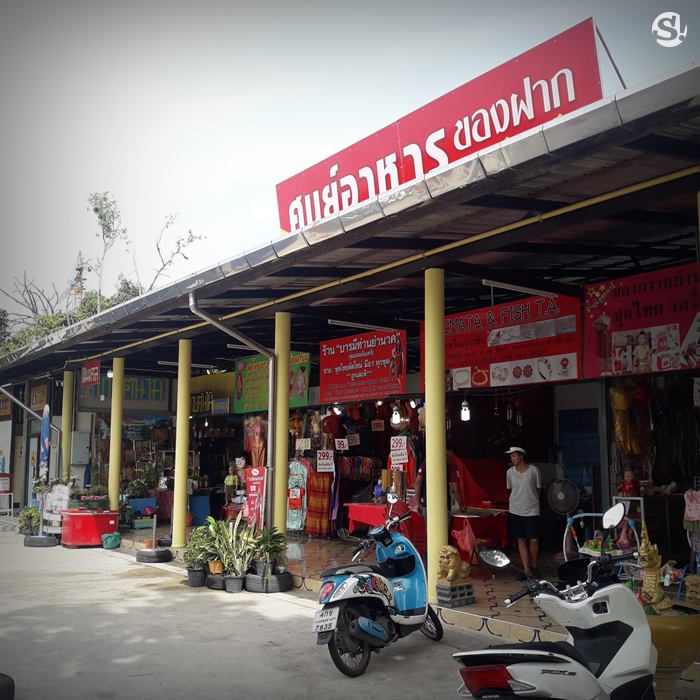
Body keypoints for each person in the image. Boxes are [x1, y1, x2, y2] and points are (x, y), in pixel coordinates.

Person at [505, 446, 542, 580]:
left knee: (534, 539)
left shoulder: (534, 471)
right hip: (515, 508)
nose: (512, 458)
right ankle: (526, 569)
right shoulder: (510, 472)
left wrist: (533, 501)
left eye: (514, 455)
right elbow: (511, 489)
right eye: (511, 456)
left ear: (521, 456)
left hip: (532, 509)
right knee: (520, 539)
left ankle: (534, 564)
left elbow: (538, 489)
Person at [414, 441, 466, 519]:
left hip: (427, 505)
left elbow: (418, 482)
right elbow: (456, 489)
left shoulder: (426, 461)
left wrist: (418, 503)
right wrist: (462, 506)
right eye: (453, 455)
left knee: (428, 527)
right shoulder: (451, 464)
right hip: (443, 506)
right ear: (451, 452)